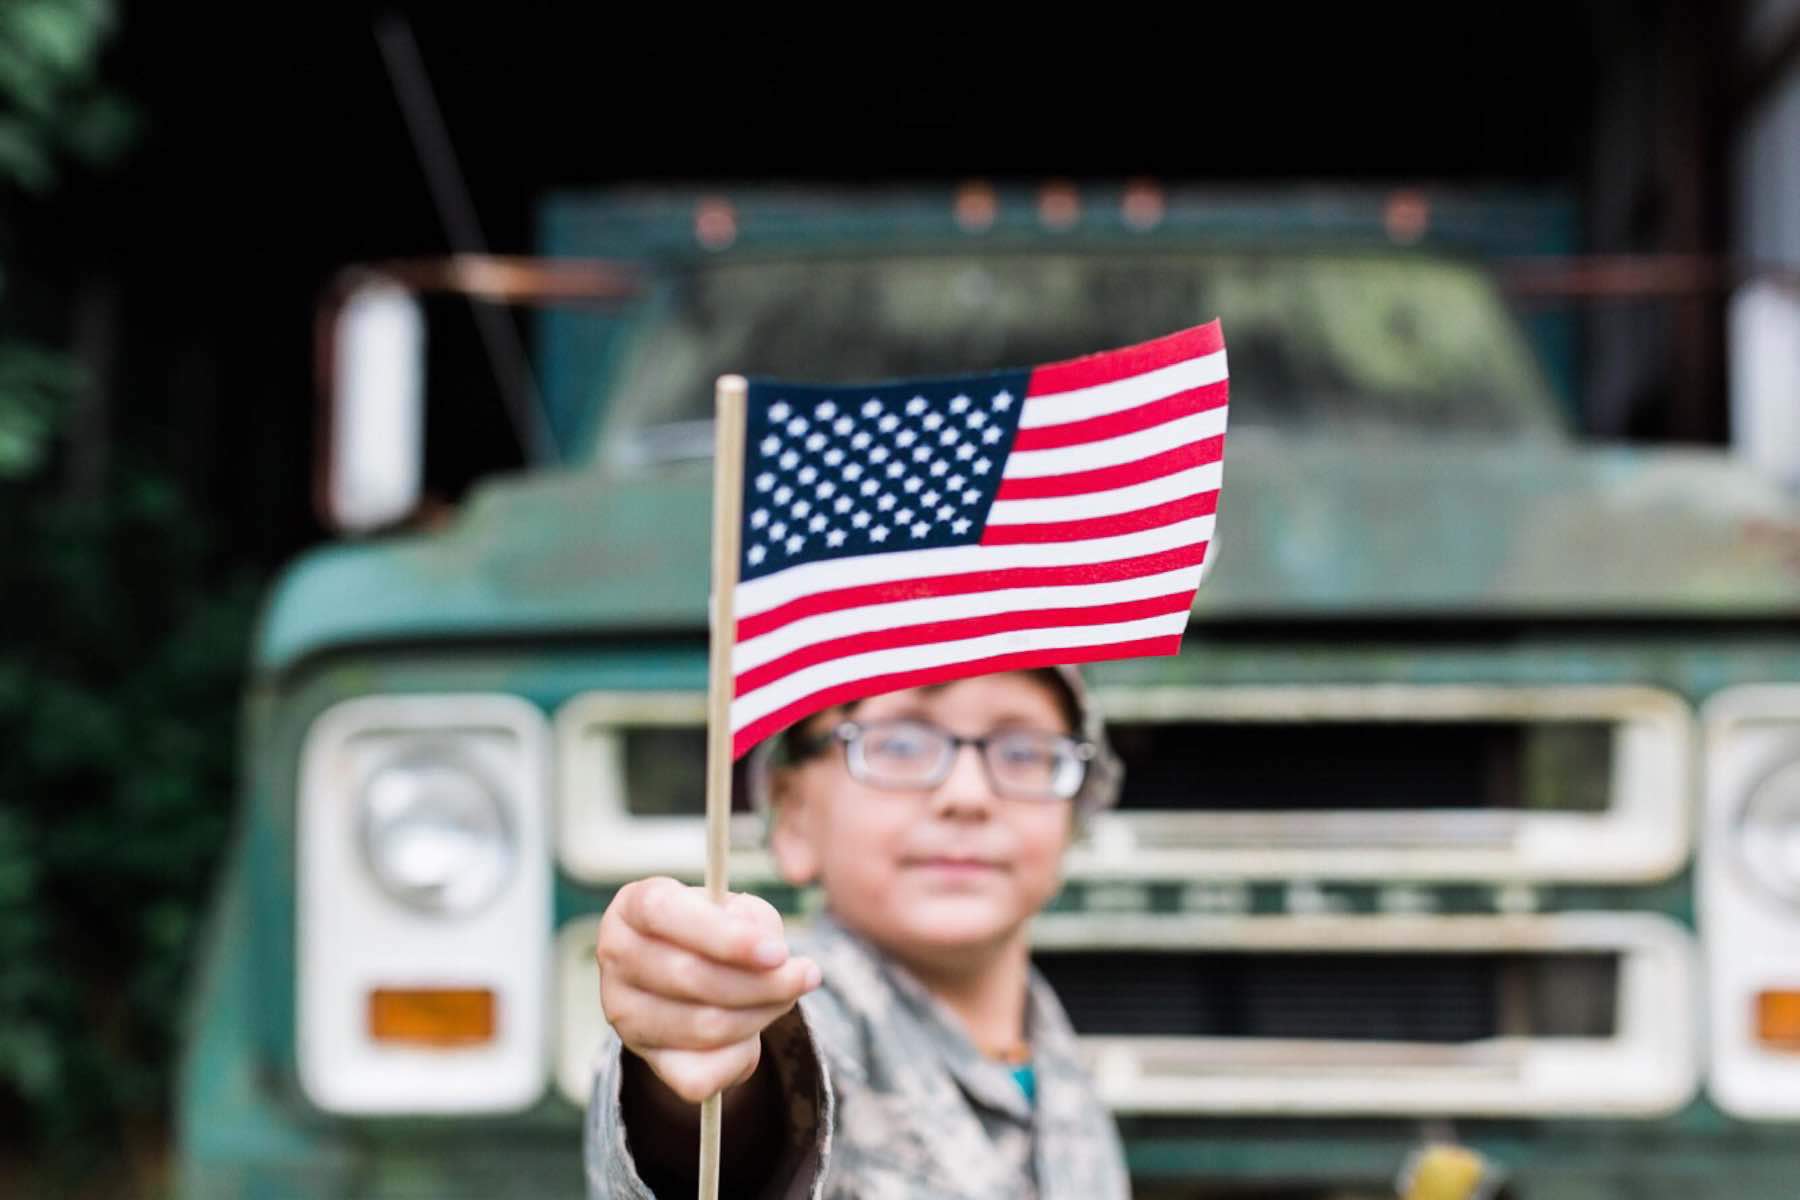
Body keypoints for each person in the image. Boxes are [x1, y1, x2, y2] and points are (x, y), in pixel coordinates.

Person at [584, 665, 1130, 1199]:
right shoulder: (803, 997)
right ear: (792, 813)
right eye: (898, 745)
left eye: (1022, 753)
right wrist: (696, 1043)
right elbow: (742, 1113)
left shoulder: (1050, 1041)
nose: (968, 795)